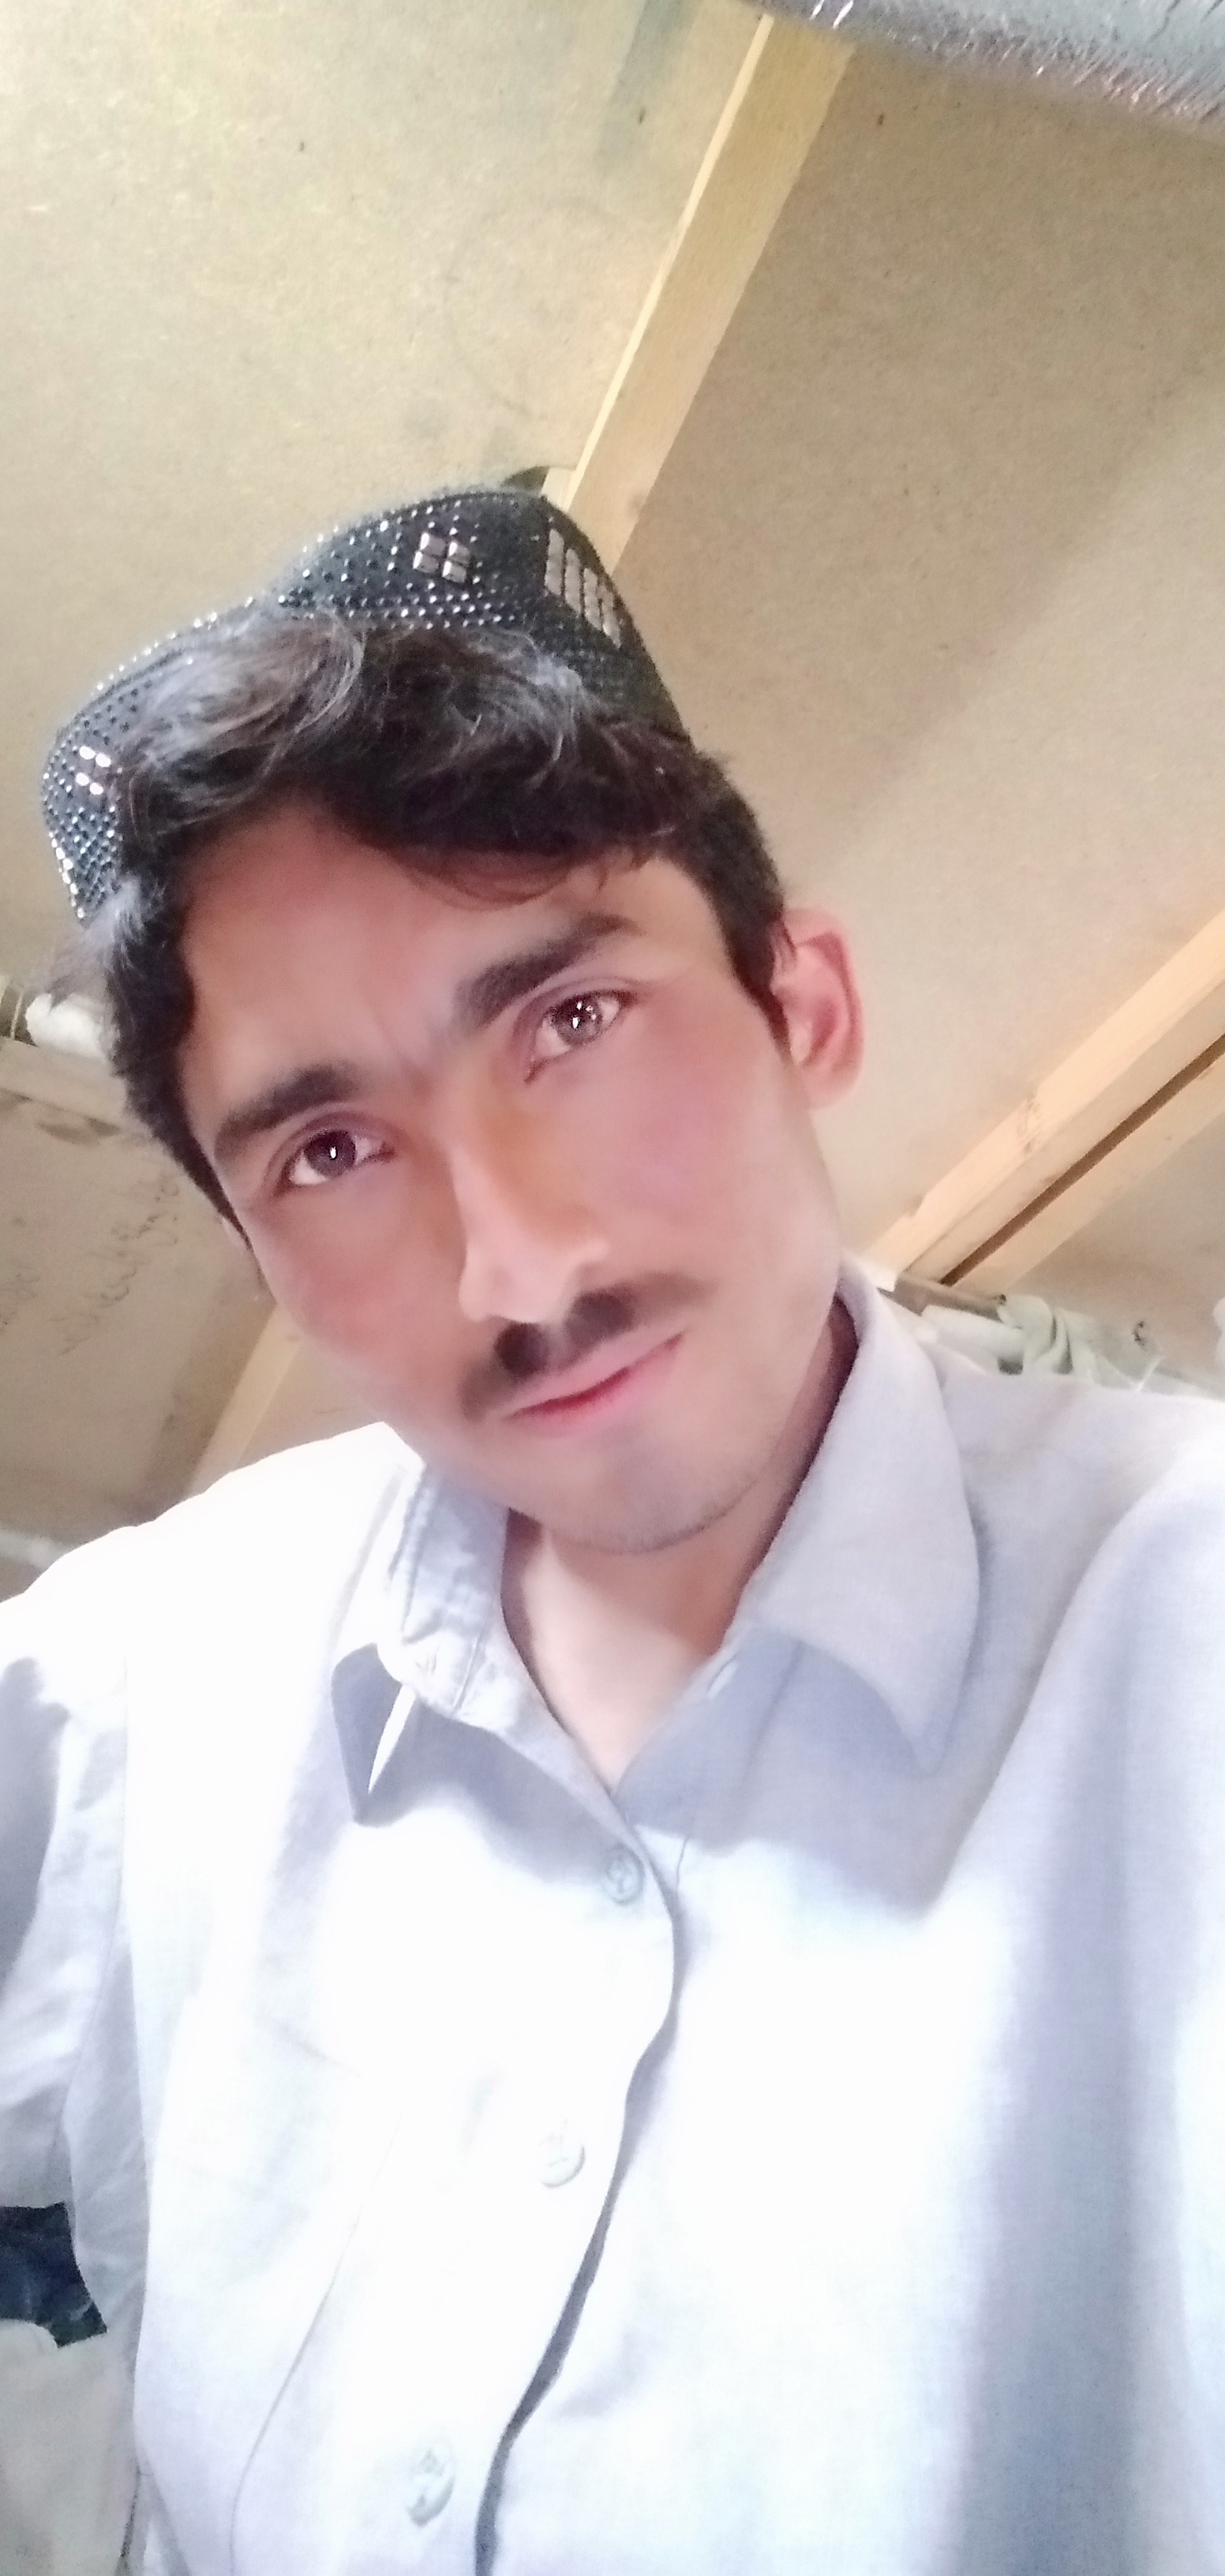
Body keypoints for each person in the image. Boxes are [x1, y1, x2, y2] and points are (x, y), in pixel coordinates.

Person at [4, 485, 1225, 2576]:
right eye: (329, 1151)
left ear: (802, 1003)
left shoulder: (1178, 1629)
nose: (519, 1268)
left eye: (571, 1022)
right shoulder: (155, 1664)